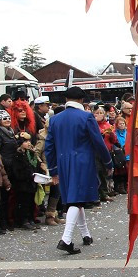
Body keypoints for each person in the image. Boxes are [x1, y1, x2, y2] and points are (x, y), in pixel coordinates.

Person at [45, 86, 113, 254]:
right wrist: (108, 162)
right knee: (76, 200)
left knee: (76, 197)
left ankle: (85, 234)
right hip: (82, 162)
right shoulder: (86, 117)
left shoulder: (55, 119)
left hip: (62, 162)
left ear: (66, 99)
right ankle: (66, 239)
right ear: (81, 100)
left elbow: (49, 146)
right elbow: (98, 141)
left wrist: (53, 169)